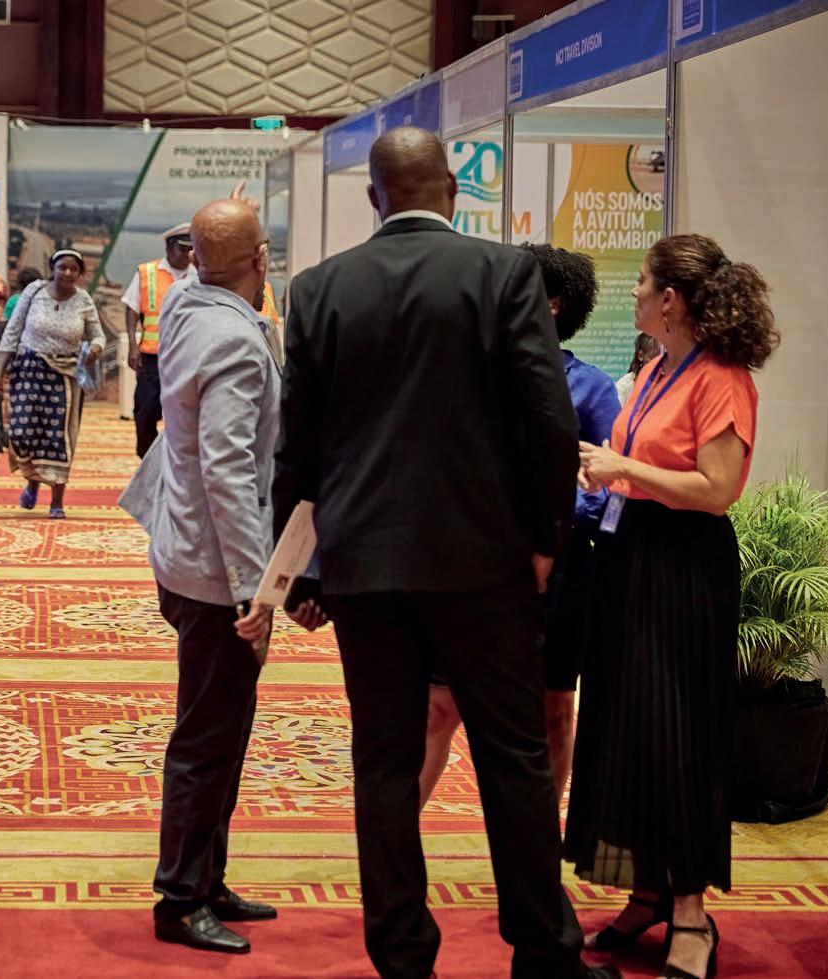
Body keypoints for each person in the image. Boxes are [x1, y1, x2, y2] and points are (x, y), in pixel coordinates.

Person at [271, 127, 617, 979]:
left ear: (373, 197)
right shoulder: (503, 275)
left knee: (385, 764)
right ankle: (545, 952)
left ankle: (402, 956)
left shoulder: (318, 289)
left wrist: (302, 573)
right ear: (453, 193)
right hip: (486, 566)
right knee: (515, 760)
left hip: (365, 567)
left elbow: (297, 447)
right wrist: (545, 542)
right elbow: (550, 423)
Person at [568, 234, 778, 979]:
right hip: (631, 558)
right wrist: (610, 475)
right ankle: (648, 891)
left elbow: (716, 490)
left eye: (642, 282)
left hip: (684, 569)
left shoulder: (722, 377)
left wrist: (622, 466)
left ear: (671, 300)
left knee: (677, 734)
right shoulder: (659, 367)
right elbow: (644, 467)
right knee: (628, 729)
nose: (631, 293)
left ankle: (690, 913)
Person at [119, 197, 318, 955]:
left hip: (185, 549)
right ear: (261, 260)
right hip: (215, 572)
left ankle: (208, 877)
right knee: (208, 736)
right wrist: (252, 590)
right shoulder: (233, 336)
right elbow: (229, 471)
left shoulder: (186, 302)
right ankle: (180, 897)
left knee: (224, 726)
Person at [419, 244, 620, 809]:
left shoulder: (591, 388)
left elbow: (610, 484)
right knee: (440, 704)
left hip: (561, 567)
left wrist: (553, 520)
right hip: (470, 561)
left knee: (553, 709)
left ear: (553, 304)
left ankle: (541, 840)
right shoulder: (470, 372)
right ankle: (393, 840)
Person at [0, 249, 104, 519]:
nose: (67, 273)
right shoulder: (34, 292)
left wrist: (96, 348)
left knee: (59, 438)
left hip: (64, 377)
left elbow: (98, 335)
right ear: (53, 268)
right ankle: (32, 481)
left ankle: (56, 501)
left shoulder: (83, 300)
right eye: (62, 267)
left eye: (73, 269)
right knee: (21, 433)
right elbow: (12, 331)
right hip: (28, 370)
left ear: (80, 274)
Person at [122, 223, 195, 458]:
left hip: (187, 358)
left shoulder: (199, 274)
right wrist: (133, 345)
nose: (188, 254)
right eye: (183, 249)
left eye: (191, 249)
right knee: (145, 412)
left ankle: (175, 462)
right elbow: (132, 308)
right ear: (169, 247)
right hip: (152, 358)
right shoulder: (147, 272)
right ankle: (148, 459)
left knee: (183, 415)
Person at [615, 331, 661, 404]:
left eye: (661, 359)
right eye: (653, 358)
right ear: (640, 356)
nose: (658, 363)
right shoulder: (625, 386)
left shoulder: (666, 382)